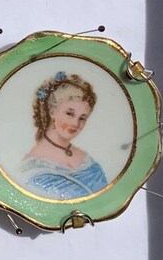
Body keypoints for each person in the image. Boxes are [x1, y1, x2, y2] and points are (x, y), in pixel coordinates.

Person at [17, 71, 109, 199]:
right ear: (52, 111)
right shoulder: (34, 166)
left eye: (82, 118)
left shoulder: (86, 159)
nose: (76, 123)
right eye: (70, 114)